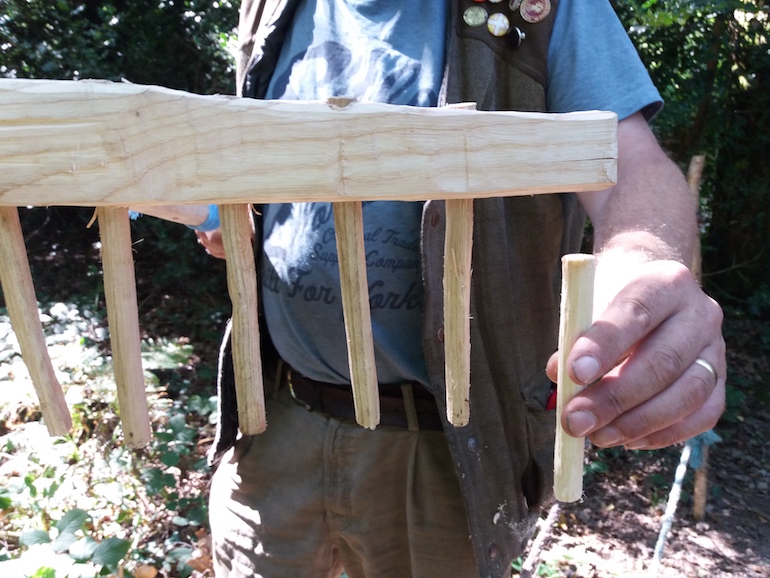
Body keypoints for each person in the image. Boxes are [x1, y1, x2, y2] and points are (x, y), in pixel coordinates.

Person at [138, 1, 726, 576]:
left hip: (444, 449)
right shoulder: (268, 7)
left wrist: (644, 264)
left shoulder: (531, 9)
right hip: (274, 422)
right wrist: (233, 215)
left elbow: (631, 165)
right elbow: (262, 177)